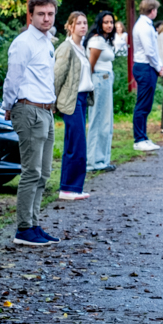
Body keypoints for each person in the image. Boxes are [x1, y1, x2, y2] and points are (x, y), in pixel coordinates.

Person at [2, 0, 61, 246]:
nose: (46, 18)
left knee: (44, 173)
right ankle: (24, 229)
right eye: (41, 14)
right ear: (31, 15)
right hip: (29, 109)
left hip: (46, 110)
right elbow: (13, 78)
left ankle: (34, 224)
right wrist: (8, 106)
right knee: (31, 171)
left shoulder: (47, 42)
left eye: (50, 14)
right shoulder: (24, 43)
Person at [53, 11, 91, 200]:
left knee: (76, 143)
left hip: (83, 99)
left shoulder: (82, 48)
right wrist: (52, 102)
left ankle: (72, 188)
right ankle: (68, 189)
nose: (83, 26)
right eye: (79, 23)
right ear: (70, 26)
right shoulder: (66, 48)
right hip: (71, 100)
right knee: (76, 144)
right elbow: (57, 76)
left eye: (85, 23)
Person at [85, 11, 118, 173]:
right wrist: (90, 86)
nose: (109, 25)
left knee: (106, 121)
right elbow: (90, 66)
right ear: (100, 23)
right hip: (99, 80)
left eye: (111, 22)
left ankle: (103, 160)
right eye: (106, 22)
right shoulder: (97, 40)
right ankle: (93, 162)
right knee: (98, 121)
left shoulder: (105, 40)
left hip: (105, 80)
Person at [131, 0, 163, 152]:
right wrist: (158, 66)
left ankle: (143, 136)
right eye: (156, 9)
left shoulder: (146, 25)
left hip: (147, 66)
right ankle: (139, 139)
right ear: (152, 10)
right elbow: (149, 50)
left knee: (146, 105)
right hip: (145, 66)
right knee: (142, 105)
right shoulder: (143, 26)